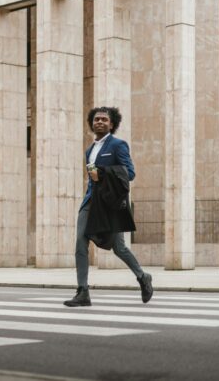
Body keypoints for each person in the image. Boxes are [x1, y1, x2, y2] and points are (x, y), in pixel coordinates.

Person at [64, 106, 153, 307]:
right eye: (96, 119)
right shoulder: (90, 150)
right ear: (91, 124)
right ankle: (83, 291)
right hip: (90, 202)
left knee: (119, 248)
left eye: (104, 119)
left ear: (112, 124)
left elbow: (129, 173)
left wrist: (102, 173)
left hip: (110, 205)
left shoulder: (118, 145)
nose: (100, 122)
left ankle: (143, 276)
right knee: (80, 240)